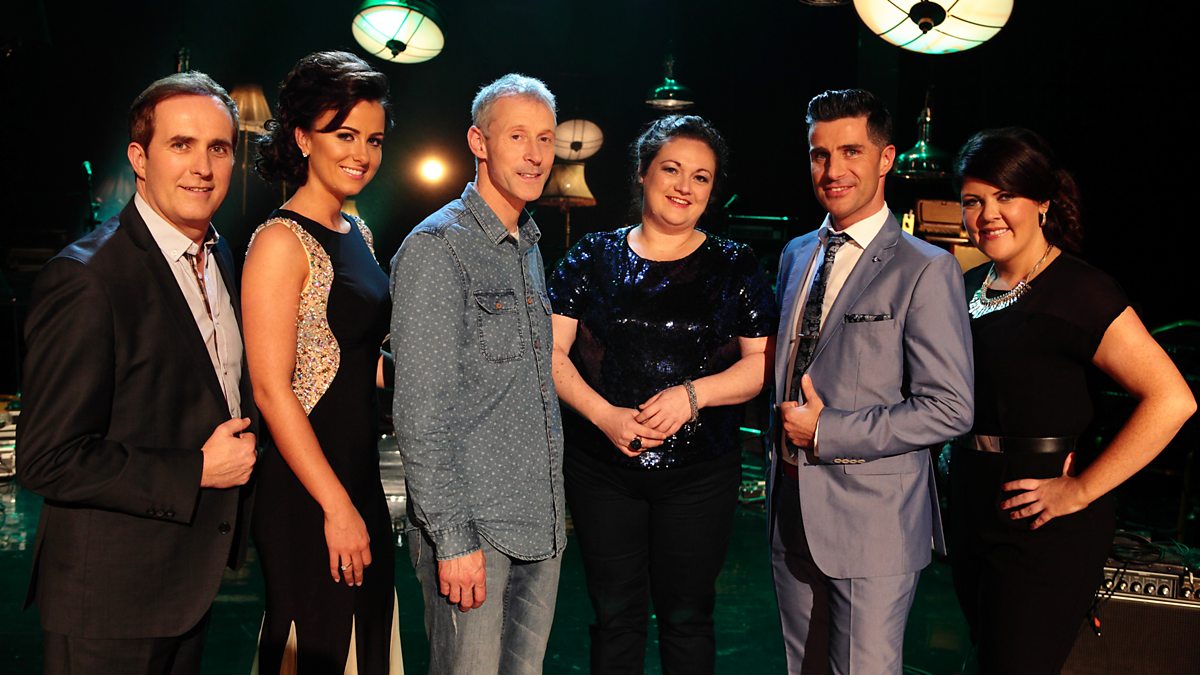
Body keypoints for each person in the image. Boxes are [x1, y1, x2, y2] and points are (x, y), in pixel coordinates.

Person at [17, 71, 257, 675]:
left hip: (185, 586)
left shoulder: (221, 256)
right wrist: (197, 470)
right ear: (139, 158)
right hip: (110, 603)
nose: (202, 167)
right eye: (181, 144)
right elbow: (48, 458)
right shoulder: (87, 279)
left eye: (218, 148)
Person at [950, 127, 1196, 674]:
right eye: (973, 201)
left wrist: (1081, 489)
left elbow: (1172, 398)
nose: (988, 214)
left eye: (1005, 196)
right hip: (971, 508)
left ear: (1042, 203)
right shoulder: (967, 286)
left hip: (1044, 525)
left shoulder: (1080, 290)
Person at [547, 115, 776, 674]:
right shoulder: (592, 255)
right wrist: (604, 415)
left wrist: (691, 396)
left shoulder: (734, 263)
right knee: (615, 618)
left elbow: (762, 364)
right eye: (671, 170)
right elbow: (548, 353)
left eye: (701, 177)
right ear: (642, 173)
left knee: (688, 618)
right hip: (602, 469)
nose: (684, 187)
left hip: (700, 474)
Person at [770, 88, 974, 673]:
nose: (833, 170)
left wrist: (827, 431)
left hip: (873, 523)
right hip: (790, 509)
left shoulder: (925, 267)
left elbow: (950, 408)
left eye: (851, 152)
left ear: (886, 158)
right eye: (820, 154)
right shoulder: (796, 254)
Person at [389, 73, 564, 675]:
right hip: (474, 530)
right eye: (517, 136)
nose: (535, 154)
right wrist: (452, 538)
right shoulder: (439, 247)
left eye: (545, 138)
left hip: (540, 523)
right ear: (479, 142)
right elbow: (420, 411)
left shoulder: (528, 244)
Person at [242, 51, 401, 673]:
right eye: (344, 134)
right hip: (307, 488)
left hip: (360, 474)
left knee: (367, 639)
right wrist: (336, 506)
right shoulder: (279, 241)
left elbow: (356, 356)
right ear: (303, 138)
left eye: (373, 140)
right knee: (317, 646)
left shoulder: (358, 233)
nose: (361, 153)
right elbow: (270, 389)